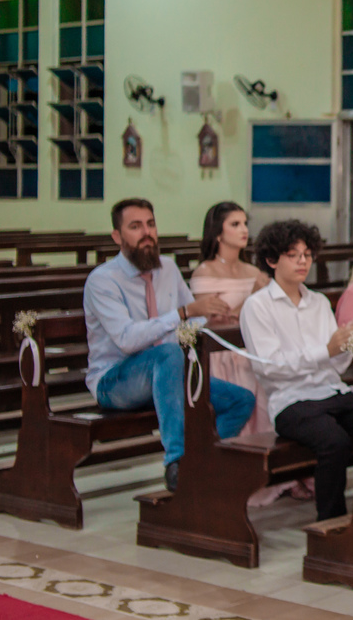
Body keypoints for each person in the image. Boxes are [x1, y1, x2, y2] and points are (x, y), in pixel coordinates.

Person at [83, 198, 256, 492]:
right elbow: (127, 340)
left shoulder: (168, 268)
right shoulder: (103, 281)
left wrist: (210, 318)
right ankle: (177, 461)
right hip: (115, 381)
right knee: (167, 353)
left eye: (151, 224)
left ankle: (202, 460)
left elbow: (194, 319)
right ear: (117, 236)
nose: (147, 233)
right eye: (135, 226)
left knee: (241, 400)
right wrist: (182, 314)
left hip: (167, 371)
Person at [239, 220, 353, 522]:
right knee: (335, 442)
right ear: (272, 260)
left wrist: (347, 346)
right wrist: (327, 350)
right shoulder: (257, 306)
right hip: (291, 401)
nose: (302, 262)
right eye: (293, 255)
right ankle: (330, 523)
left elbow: (336, 365)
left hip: (331, 391)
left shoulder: (318, 302)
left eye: (307, 254)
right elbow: (270, 366)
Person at [189, 202, 272, 434]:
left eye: (245, 223)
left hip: (252, 349)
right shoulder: (205, 271)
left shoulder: (253, 271)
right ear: (218, 233)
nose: (244, 229)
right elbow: (215, 320)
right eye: (235, 224)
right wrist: (253, 297)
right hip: (222, 354)